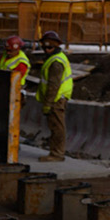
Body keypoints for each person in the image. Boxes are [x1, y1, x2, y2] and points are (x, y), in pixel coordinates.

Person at [35, 31, 73, 161]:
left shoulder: (56, 62)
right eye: (44, 47)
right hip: (57, 98)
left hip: (56, 99)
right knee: (55, 126)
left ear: (56, 47)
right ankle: (55, 152)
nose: (46, 50)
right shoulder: (54, 58)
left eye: (49, 47)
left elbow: (53, 86)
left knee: (57, 127)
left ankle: (57, 154)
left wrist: (48, 104)